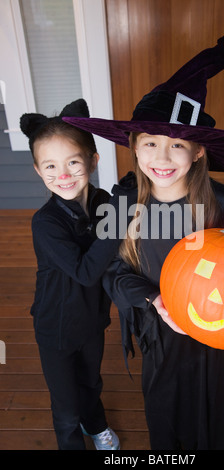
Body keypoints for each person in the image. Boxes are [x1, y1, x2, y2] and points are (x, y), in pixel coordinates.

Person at [64, 36, 224, 450]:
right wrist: (152, 299)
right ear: (134, 149)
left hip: (216, 331)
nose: (163, 157)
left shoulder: (223, 205)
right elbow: (112, 273)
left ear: (198, 153)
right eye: (151, 143)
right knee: (164, 411)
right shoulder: (123, 205)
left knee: (208, 415)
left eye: (177, 145)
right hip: (157, 328)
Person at [20, 99, 137, 450]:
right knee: (66, 406)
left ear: (92, 160)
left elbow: (128, 236)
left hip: (93, 319)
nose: (64, 174)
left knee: (90, 383)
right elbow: (86, 271)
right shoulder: (45, 222)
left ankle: (97, 424)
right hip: (56, 327)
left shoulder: (104, 200)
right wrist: (120, 214)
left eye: (73, 161)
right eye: (51, 166)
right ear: (39, 171)